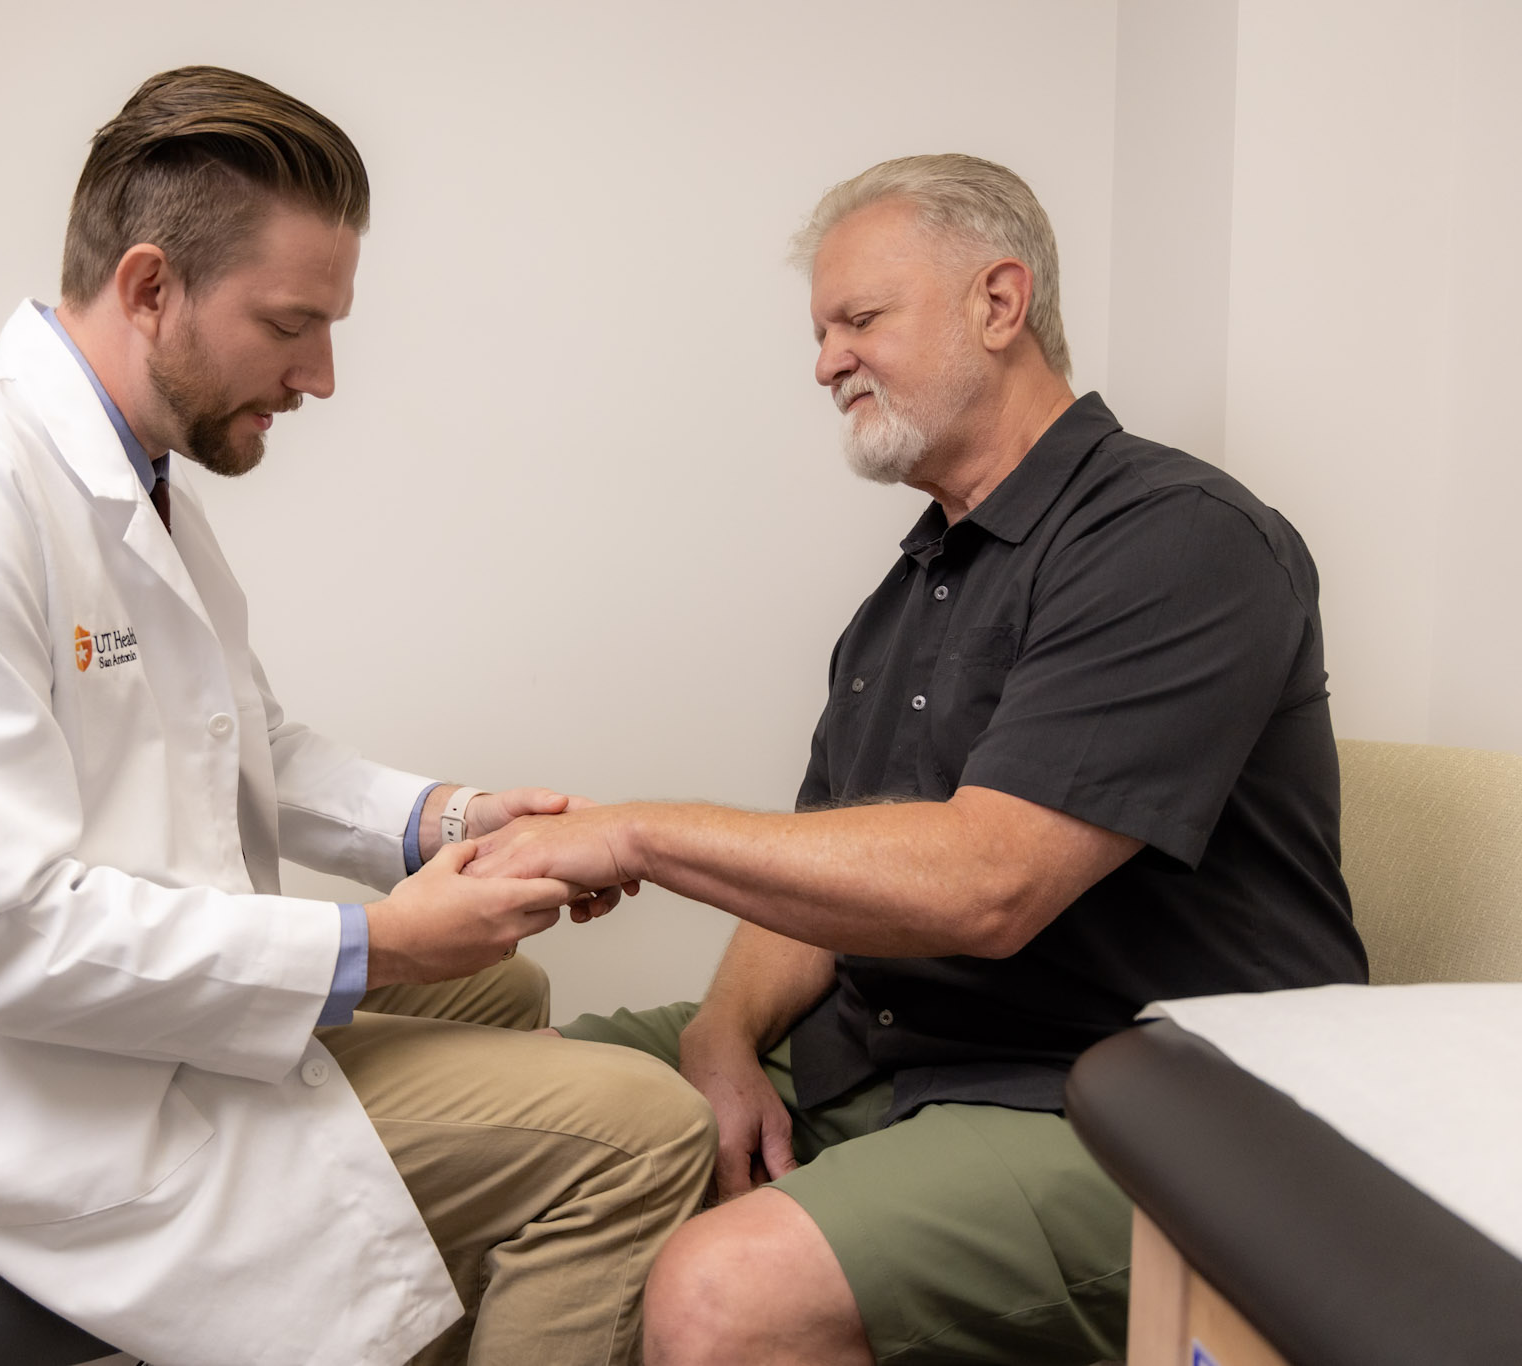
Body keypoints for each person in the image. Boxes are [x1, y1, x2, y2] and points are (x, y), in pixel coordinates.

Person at [0, 66, 711, 1366]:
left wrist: (450, 821)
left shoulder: (140, 490)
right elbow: (0, 937)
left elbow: (245, 742)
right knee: (643, 1130)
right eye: (291, 322)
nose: (321, 373)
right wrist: (378, 941)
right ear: (151, 287)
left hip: (91, 1014)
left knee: (504, 983)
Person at [468, 154, 1368, 1366]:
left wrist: (634, 833)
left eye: (858, 320)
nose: (824, 360)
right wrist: (723, 1033)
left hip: (1133, 1101)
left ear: (998, 304)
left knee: (721, 1294)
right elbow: (815, 881)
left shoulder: (1174, 542)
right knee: (505, 1111)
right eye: (819, 329)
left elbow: (982, 885)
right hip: (890, 1045)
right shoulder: (907, 592)